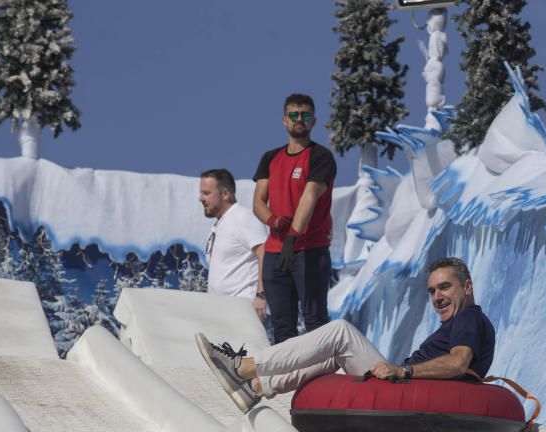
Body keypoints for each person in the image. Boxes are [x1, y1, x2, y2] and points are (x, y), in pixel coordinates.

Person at [196, 257, 495, 414]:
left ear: (466, 287)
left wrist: (403, 370)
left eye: (445, 287)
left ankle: (245, 367)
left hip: (405, 390)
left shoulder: (469, 317)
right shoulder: (460, 321)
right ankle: (257, 387)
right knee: (336, 354)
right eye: (432, 290)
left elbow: (458, 362)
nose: (437, 296)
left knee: (340, 332)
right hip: (408, 388)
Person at [252, 92, 337, 343]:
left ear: (313, 121)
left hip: (309, 249)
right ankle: (288, 380)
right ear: (284, 120)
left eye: (305, 115)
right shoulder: (270, 158)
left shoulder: (321, 156)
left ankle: (324, 378)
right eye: (294, 115)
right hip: (276, 252)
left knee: (315, 321)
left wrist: (292, 237)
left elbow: (310, 196)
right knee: (282, 326)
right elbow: (258, 201)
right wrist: (273, 221)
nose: (299, 119)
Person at [199, 168, 267, 319]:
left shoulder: (243, 218)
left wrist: (261, 295)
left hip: (243, 310)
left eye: (207, 193)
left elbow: (265, 252)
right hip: (222, 313)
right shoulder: (218, 226)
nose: (201, 198)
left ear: (225, 194)